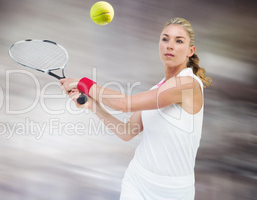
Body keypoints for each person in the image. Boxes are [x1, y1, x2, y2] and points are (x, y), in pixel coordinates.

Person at [60, 17, 212, 200]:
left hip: (174, 192)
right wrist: (94, 106)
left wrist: (84, 83)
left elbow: (125, 104)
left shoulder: (187, 84)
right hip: (137, 181)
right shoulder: (156, 90)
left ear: (190, 51)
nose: (169, 45)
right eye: (165, 39)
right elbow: (127, 132)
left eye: (179, 41)